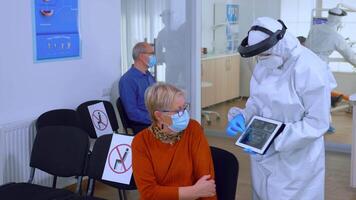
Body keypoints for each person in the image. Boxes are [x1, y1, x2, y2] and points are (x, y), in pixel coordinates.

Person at [227, 17, 330, 199]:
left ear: (280, 41)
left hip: (296, 160)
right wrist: (243, 116)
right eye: (259, 55)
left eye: (265, 54)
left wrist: (274, 139)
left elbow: (317, 122)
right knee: (262, 193)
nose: (262, 59)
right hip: (262, 158)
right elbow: (257, 103)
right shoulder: (264, 64)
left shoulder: (309, 68)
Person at [132, 83, 216, 200]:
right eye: (178, 111)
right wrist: (193, 192)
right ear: (159, 116)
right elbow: (148, 193)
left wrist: (198, 192)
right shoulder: (141, 142)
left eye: (184, 108)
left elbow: (206, 183)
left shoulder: (193, 128)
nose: (185, 115)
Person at [305, 7, 353, 133]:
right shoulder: (336, 36)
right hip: (320, 67)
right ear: (339, 21)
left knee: (306, 95)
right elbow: (350, 56)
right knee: (323, 97)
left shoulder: (314, 28)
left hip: (306, 64)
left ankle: (307, 121)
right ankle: (324, 124)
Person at [119, 42, 156, 134]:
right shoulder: (127, 80)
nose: (154, 57)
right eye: (151, 54)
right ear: (141, 56)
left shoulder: (148, 75)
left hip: (155, 119)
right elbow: (132, 113)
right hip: (143, 124)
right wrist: (156, 119)